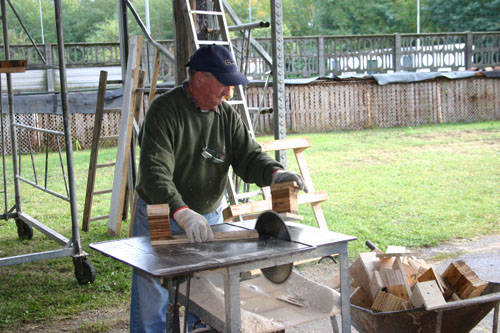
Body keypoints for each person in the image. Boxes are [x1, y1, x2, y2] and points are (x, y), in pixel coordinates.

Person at [130, 44, 306, 332]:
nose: (228, 92)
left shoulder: (225, 116)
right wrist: (182, 212)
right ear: (200, 78)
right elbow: (154, 174)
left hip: (207, 217)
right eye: (224, 84)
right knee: (153, 295)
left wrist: (275, 173)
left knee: (206, 296)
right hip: (162, 213)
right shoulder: (165, 112)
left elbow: (248, 155)